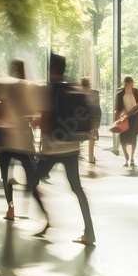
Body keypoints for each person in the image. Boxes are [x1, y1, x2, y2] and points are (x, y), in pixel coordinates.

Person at [36, 53, 96, 246]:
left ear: (50, 69)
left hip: (53, 148)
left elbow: (45, 120)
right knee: (77, 188)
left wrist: (42, 146)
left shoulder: (50, 90)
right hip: (72, 146)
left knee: (31, 181)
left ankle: (48, 220)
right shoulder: (73, 87)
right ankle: (89, 231)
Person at [0, 59, 42, 222]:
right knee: (29, 175)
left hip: (7, 137)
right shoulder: (27, 87)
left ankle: (11, 208)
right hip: (23, 137)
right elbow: (35, 112)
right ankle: (37, 212)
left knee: (6, 175)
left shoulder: (7, 85)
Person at [114, 75, 138, 167]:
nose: (130, 84)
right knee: (123, 138)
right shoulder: (120, 93)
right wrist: (117, 120)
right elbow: (117, 109)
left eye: (131, 82)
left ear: (133, 82)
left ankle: (132, 157)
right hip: (123, 118)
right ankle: (126, 157)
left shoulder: (137, 92)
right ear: (125, 83)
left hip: (134, 117)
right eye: (128, 82)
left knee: (133, 137)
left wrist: (130, 113)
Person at [80, 77, 100, 164]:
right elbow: (97, 107)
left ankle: (77, 156)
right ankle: (91, 158)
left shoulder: (78, 93)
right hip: (92, 119)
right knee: (92, 140)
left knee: (79, 139)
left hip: (81, 118)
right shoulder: (95, 92)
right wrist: (98, 121)